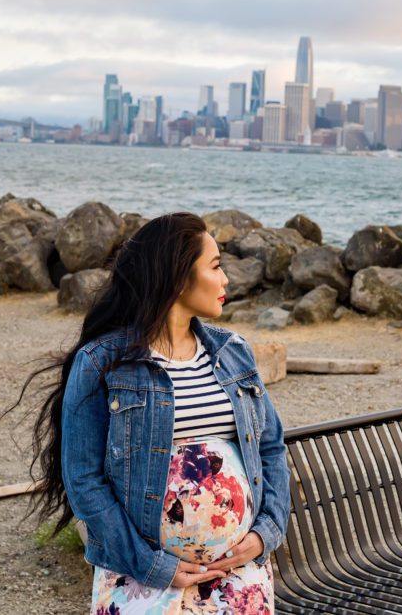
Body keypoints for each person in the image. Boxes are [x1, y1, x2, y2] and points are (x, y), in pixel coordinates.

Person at [15, 212, 291, 613]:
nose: (226, 279)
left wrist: (266, 533)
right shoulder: (102, 362)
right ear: (177, 276)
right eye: (215, 267)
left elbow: (271, 448)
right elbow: (83, 480)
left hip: (237, 576)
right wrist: (152, 566)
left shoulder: (234, 352)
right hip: (143, 578)